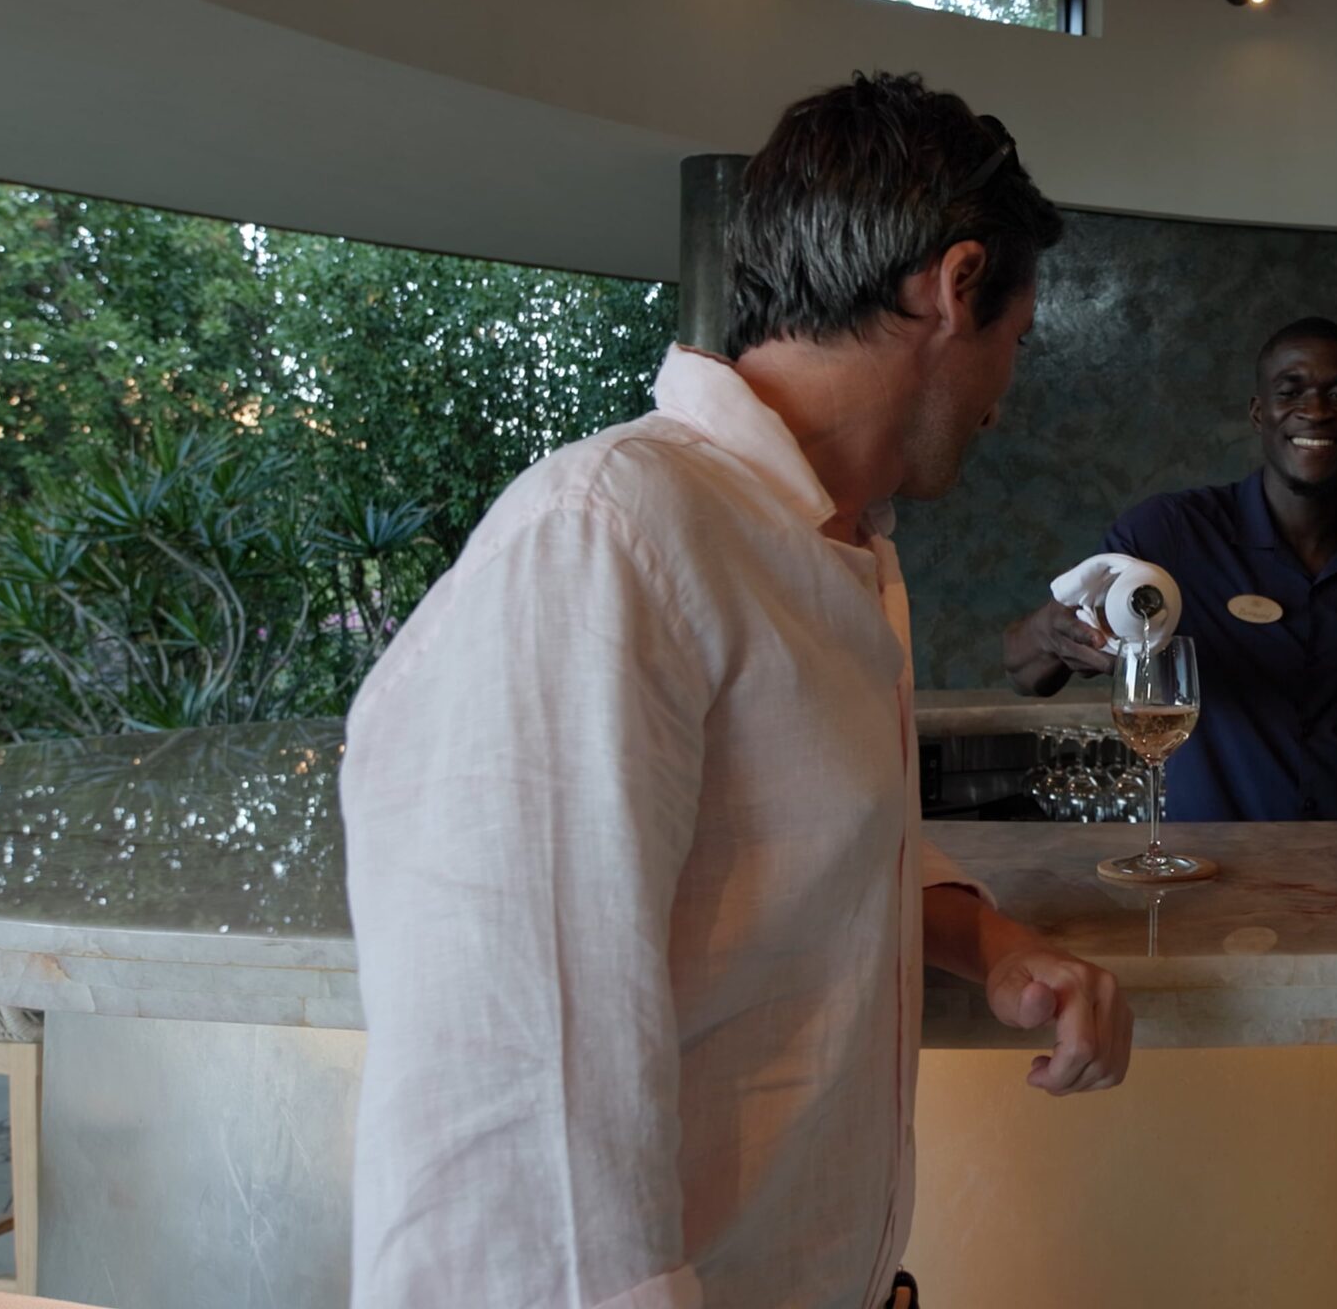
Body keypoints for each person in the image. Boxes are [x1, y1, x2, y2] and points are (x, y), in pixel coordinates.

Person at [342, 73, 1134, 1309]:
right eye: (1014, 347)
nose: (1001, 399)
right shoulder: (608, 534)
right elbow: (512, 1091)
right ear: (955, 285)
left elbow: (793, 845)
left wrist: (989, 942)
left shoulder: (839, 549)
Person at [1002, 317, 1337, 821]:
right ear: (1260, 413)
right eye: (1291, 390)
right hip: (1213, 870)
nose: (1316, 411)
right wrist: (1053, 635)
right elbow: (1023, 670)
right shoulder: (1169, 533)